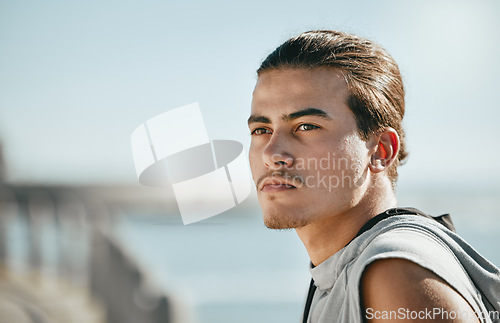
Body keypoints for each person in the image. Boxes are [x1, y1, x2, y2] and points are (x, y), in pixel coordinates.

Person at [248, 30, 500, 322]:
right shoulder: (341, 270)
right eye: (261, 130)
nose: (271, 152)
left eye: (306, 126)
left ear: (380, 150)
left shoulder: (394, 272)